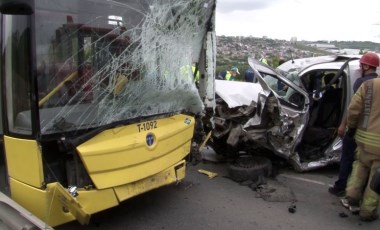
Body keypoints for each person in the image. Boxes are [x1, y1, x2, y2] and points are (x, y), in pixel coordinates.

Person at [328, 52, 379, 197]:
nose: (360, 67)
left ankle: (341, 187)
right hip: (374, 135)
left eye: (361, 64)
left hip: (358, 131)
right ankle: (365, 198)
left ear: (367, 66)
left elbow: (353, 108)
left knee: (349, 159)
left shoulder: (363, 84)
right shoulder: (377, 83)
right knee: (371, 169)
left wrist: (344, 126)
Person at [344, 52, 380, 222]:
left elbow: (353, 109)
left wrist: (350, 128)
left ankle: (351, 196)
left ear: (366, 66)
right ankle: (367, 212)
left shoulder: (368, 85)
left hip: (363, 139)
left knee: (359, 167)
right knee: (376, 178)